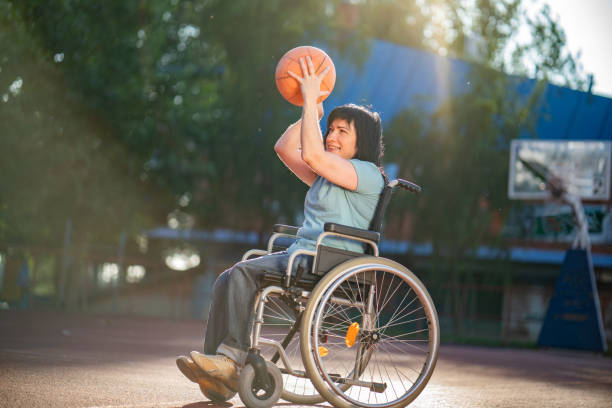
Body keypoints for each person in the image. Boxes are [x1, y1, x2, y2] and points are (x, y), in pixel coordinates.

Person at [176, 56, 386, 401]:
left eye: (340, 131)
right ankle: (219, 371)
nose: (331, 136)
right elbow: (285, 148)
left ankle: (231, 360)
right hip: (305, 256)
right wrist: (313, 111)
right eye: (330, 129)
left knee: (242, 273)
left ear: (360, 140)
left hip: (331, 261)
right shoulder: (326, 176)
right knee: (226, 278)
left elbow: (315, 156)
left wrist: (308, 97)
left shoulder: (366, 173)